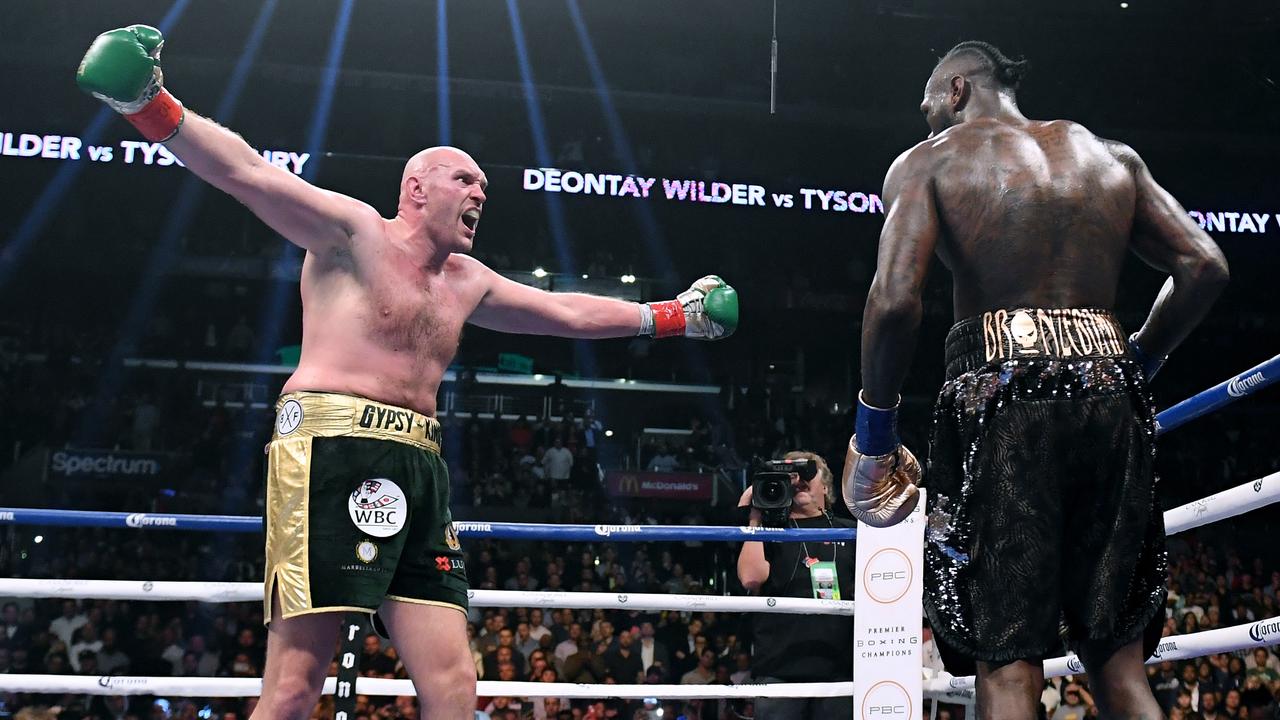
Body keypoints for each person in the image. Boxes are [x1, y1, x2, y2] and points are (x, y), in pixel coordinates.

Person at [77, 25, 737, 720]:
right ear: (417, 187)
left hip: (419, 464)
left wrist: (673, 316)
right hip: (330, 450)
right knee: (297, 684)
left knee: (454, 686)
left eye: (483, 183)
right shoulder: (353, 234)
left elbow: (565, 314)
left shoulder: (467, 280)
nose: (481, 190)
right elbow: (248, 173)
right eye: (465, 178)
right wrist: (148, 104)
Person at [845, 40, 1228, 720]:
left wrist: (874, 430)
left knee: (1008, 655)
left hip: (1003, 395)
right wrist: (1142, 358)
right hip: (1112, 388)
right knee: (1116, 655)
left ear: (958, 89)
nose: (926, 116)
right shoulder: (1109, 157)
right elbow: (1204, 266)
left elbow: (897, 299)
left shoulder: (930, 161)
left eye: (929, 100)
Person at [736, 451, 855, 719]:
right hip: (780, 670)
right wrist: (756, 514)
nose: (798, 481)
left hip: (840, 670)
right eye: (790, 477)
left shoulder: (851, 531)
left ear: (825, 486)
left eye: (806, 474)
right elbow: (751, 578)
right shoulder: (766, 532)